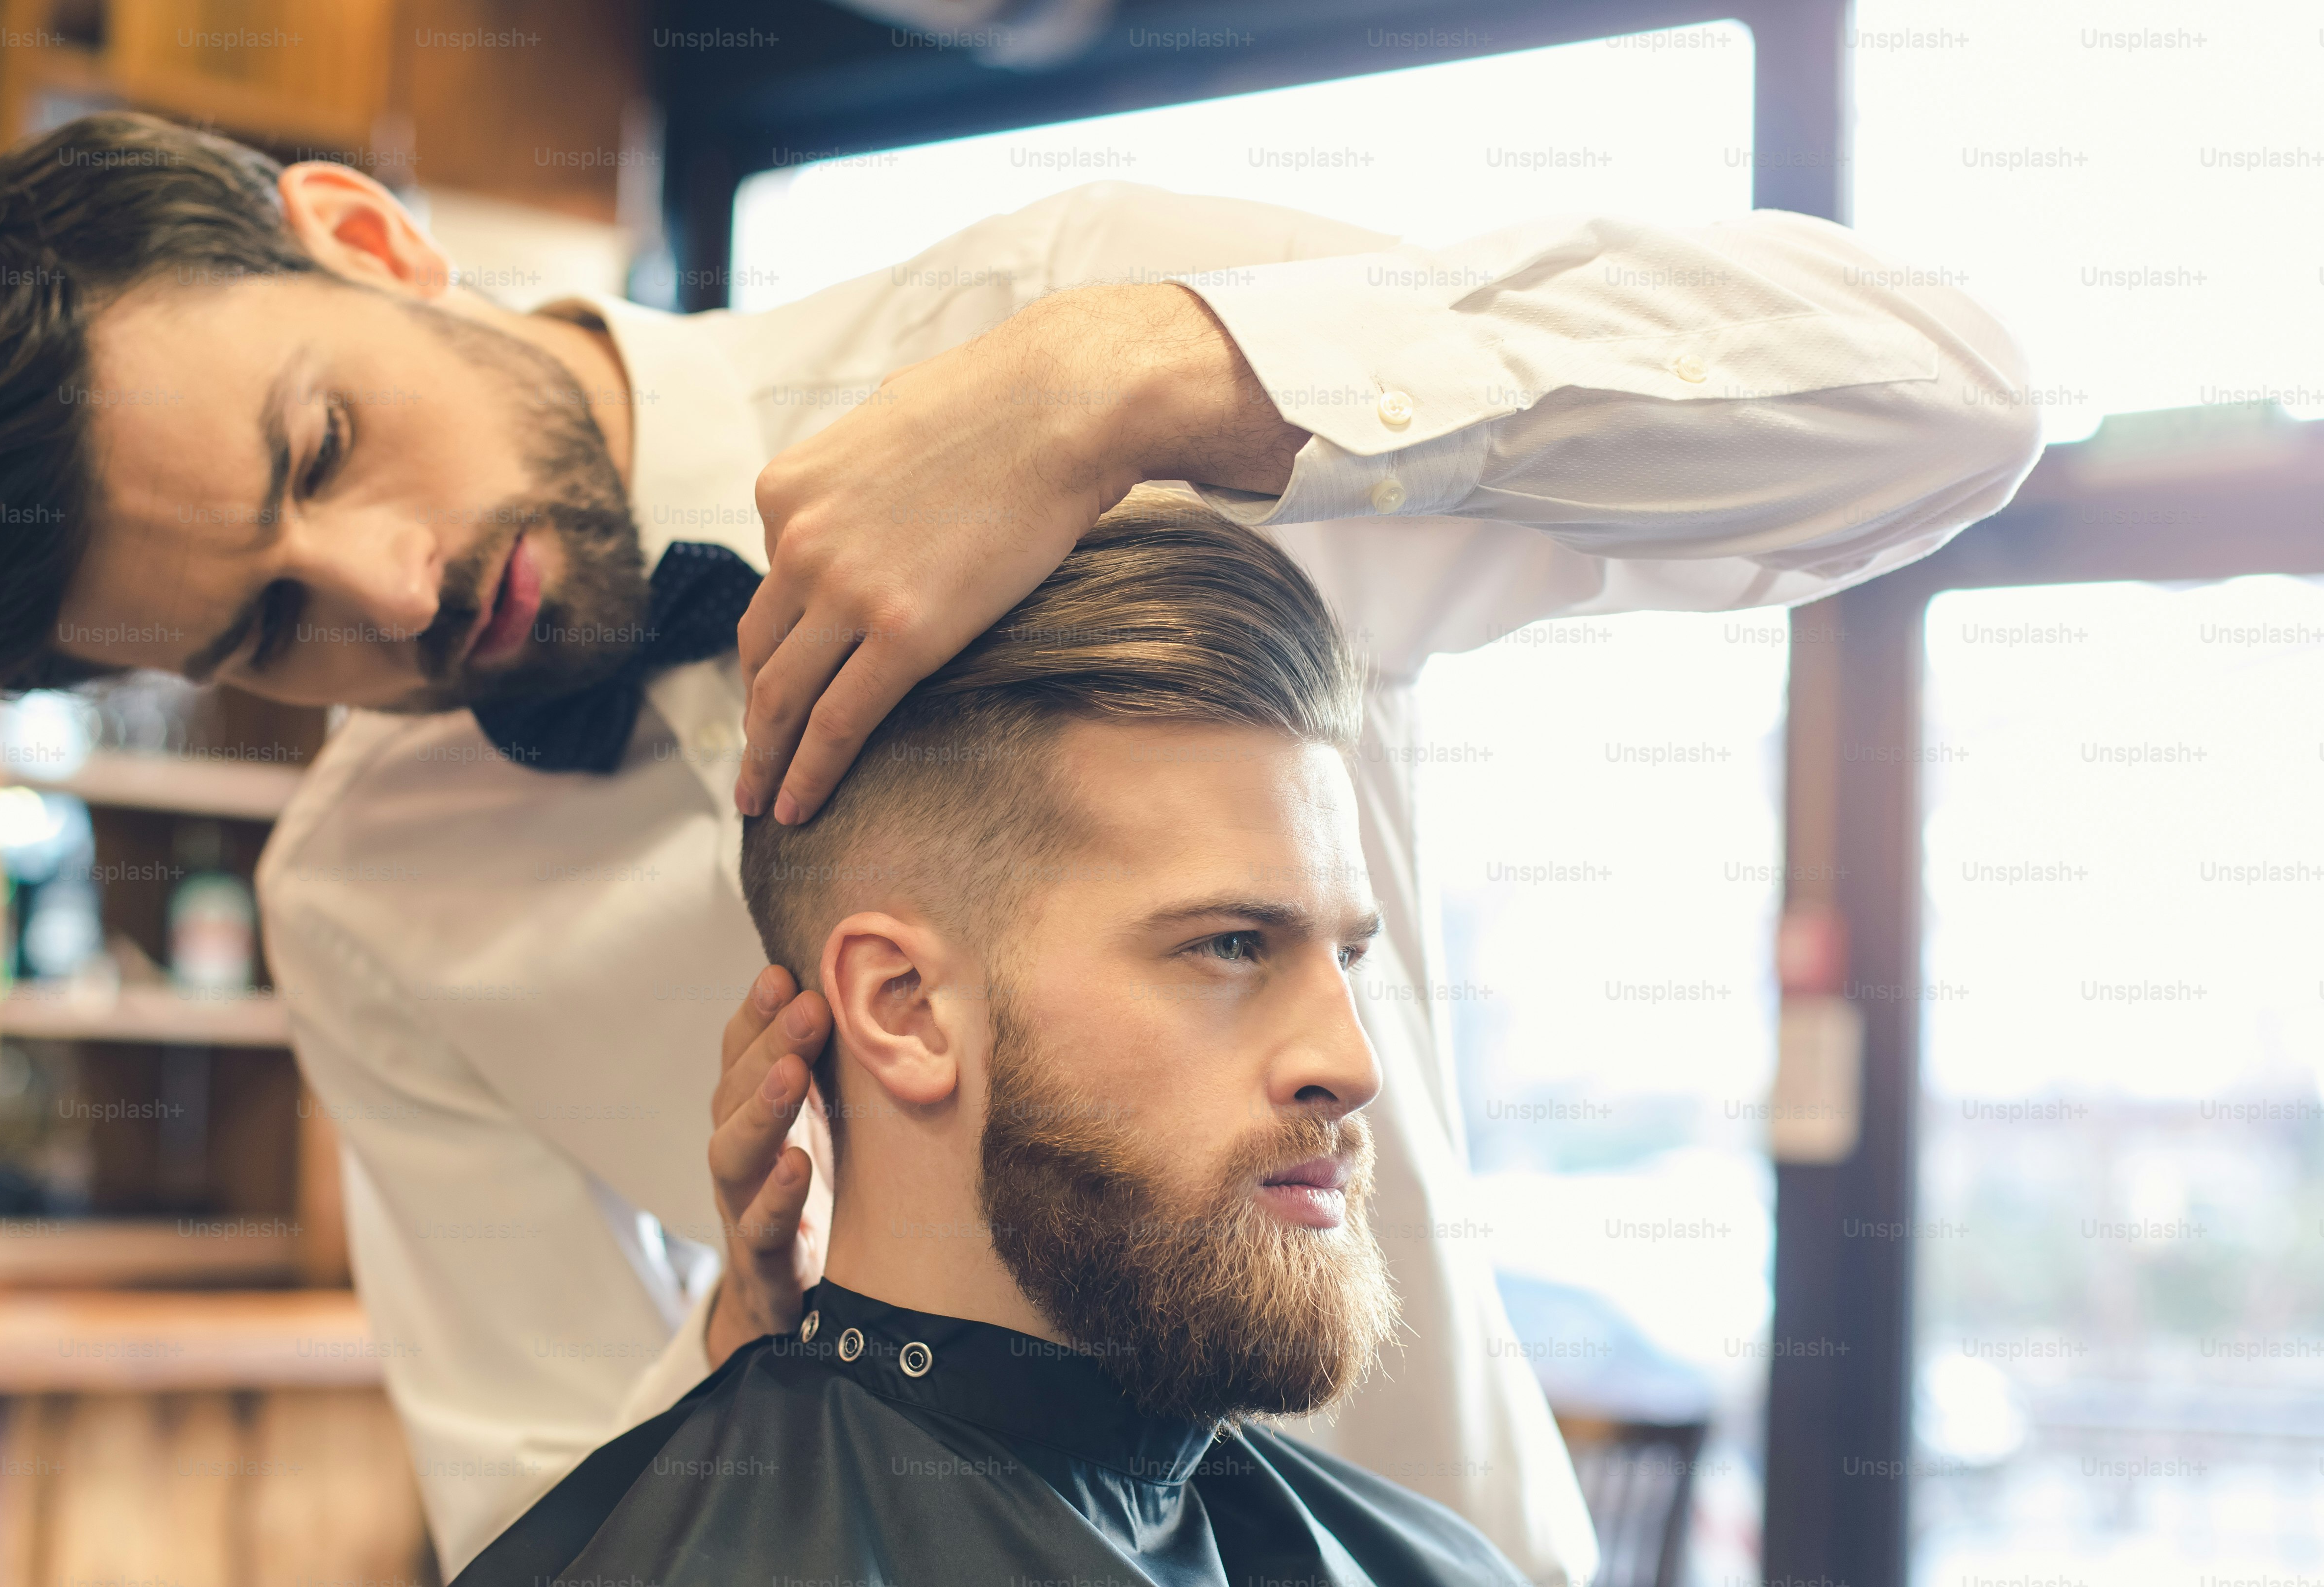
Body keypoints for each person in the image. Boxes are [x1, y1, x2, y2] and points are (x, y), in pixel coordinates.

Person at [0, 110, 2041, 1576]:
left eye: (322, 442)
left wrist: (1149, 380)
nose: (392, 586)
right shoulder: (366, 905)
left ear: (364, 236)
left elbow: (1940, 405)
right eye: (263, 624)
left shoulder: (1072, 350)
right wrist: (739, 1366)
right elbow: (537, 1484)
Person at [460, 492, 1531, 1586]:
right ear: (907, 1008)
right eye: (1229, 945)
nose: (1351, 1068)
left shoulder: (1444, 1563)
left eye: (1348, 957)